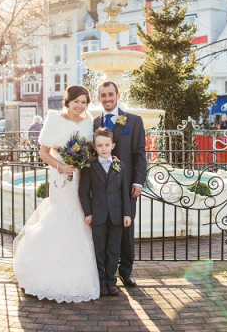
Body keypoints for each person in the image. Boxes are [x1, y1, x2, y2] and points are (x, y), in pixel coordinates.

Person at [12, 85, 100, 303]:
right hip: (61, 177)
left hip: (81, 176)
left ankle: (78, 270)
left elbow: (92, 149)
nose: (80, 106)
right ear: (67, 101)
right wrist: (61, 166)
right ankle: (45, 271)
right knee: (61, 213)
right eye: (76, 101)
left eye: (84, 102)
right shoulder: (54, 119)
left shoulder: (90, 120)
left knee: (81, 215)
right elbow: (44, 151)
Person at [94, 81, 147, 288]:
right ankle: (104, 274)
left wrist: (138, 182)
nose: (107, 98)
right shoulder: (94, 122)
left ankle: (126, 272)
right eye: (103, 95)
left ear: (117, 95)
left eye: (110, 94)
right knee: (103, 230)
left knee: (125, 228)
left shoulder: (133, 121)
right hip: (100, 186)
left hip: (125, 186)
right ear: (98, 98)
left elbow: (139, 154)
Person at [79, 128, 133, 297]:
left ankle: (111, 281)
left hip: (117, 215)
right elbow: (83, 192)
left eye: (107, 145)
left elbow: (125, 192)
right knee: (99, 249)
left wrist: (126, 214)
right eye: (100, 145)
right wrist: (88, 213)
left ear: (113, 146)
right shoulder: (90, 167)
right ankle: (101, 282)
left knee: (113, 249)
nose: (103, 148)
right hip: (98, 214)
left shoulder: (120, 166)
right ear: (95, 147)